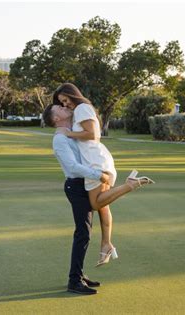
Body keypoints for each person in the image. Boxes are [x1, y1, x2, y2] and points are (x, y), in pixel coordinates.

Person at [43, 101, 153, 295]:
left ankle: (81, 273)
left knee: (89, 227)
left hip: (84, 183)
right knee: (82, 233)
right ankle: (74, 281)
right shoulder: (60, 138)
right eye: (59, 108)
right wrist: (100, 175)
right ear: (56, 118)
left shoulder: (73, 131)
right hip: (76, 186)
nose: (64, 106)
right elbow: (73, 167)